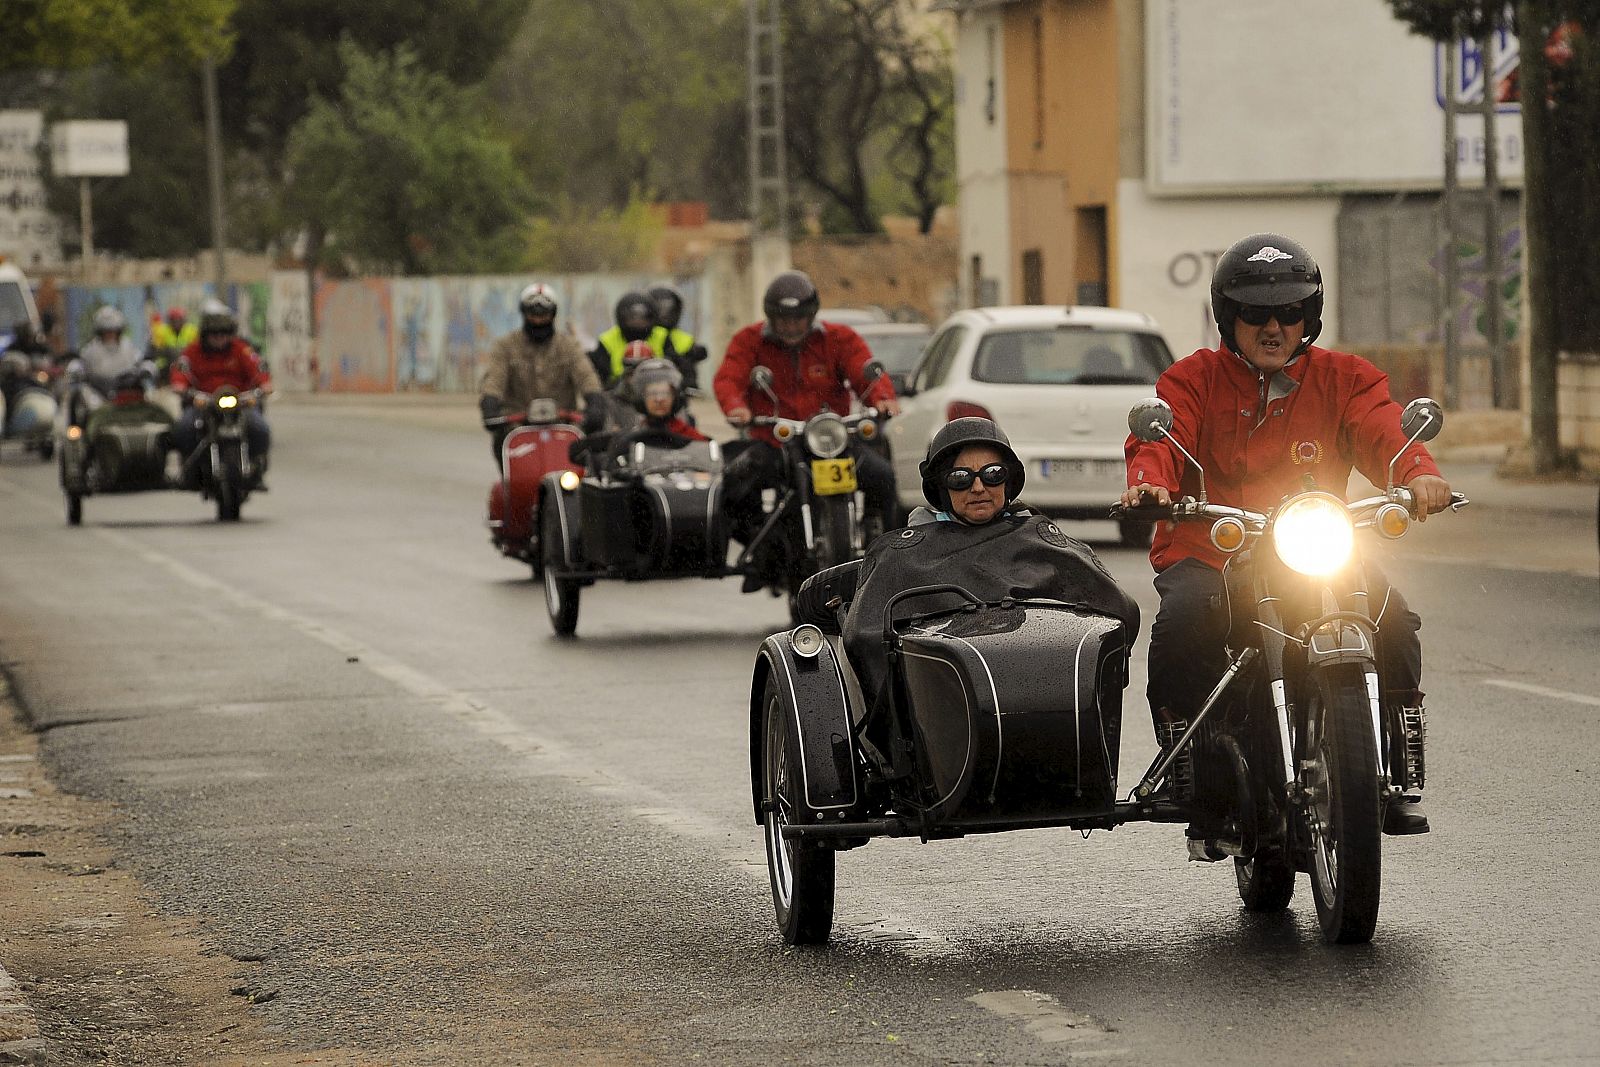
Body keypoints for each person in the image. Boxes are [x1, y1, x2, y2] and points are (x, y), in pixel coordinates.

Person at [1120, 232, 1452, 835]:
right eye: (1255, 314)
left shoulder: (1347, 378)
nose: (1273, 328)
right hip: (1213, 548)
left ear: (1310, 317)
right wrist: (1151, 484)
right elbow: (1156, 441)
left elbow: (1383, 432)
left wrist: (1419, 474)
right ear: (1229, 316)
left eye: (1289, 313)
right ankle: (1184, 755)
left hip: (1315, 547)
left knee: (1394, 619)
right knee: (1185, 618)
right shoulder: (1191, 380)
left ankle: (1399, 759)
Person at [843, 417, 1139, 703]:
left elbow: (1119, 609)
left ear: (1007, 482)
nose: (978, 487)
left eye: (993, 474)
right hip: (940, 708)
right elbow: (865, 639)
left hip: (1047, 699)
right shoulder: (903, 554)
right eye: (960, 478)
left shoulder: (1040, 538)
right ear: (941, 488)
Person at [714, 270, 902, 592]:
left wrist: (883, 399)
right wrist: (736, 407)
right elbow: (728, 378)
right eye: (782, 318)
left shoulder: (838, 338)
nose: (790, 325)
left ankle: (889, 554)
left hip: (830, 440)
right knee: (734, 483)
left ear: (811, 315)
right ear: (770, 316)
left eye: (798, 318)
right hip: (775, 441)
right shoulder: (749, 340)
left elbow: (864, 371)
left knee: (882, 476)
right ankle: (764, 551)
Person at [480, 283, 604, 468]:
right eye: (533, 314)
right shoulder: (505, 346)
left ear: (553, 315)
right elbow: (494, 380)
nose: (538, 320)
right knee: (504, 453)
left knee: (589, 465)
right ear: (524, 314)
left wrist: (595, 402)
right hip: (517, 429)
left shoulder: (568, 346)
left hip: (563, 428)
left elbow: (586, 376)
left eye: (544, 314)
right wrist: (489, 404)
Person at [169, 300, 273, 485]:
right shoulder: (193, 351)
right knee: (183, 429)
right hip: (204, 403)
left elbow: (258, 368)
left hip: (239, 403)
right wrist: (180, 386)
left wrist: (265, 385)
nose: (219, 339)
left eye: (223, 334)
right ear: (205, 335)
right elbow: (181, 370)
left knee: (260, 429)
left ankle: (257, 468)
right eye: (214, 335)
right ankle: (188, 470)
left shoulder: (241, 349)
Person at [589, 291, 662, 387]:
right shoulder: (607, 340)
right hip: (617, 393)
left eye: (643, 318)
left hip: (658, 390)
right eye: (632, 318)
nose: (637, 322)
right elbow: (600, 378)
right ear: (621, 317)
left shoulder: (663, 336)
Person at [648, 285, 708, 390]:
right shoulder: (642, 334)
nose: (664, 314)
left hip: (677, 389)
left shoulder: (684, 337)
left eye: (669, 310)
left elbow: (692, 359)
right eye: (660, 309)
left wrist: (697, 352)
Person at [76, 306, 143, 400]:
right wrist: (76, 371)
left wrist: (147, 369)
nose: (110, 335)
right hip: (98, 393)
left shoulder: (128, 346)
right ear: (100, 332)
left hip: (125, 393)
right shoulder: (90, 350)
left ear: (119, 331)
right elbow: (80, 366)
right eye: (106, 331)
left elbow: (141, 362)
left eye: (113, 331)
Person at [149, 307, 197, 378]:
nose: (176, 323)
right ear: (170, 321)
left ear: (183, 320)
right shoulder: (161, 331)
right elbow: (156, 350)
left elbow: (195, 348)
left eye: (179, 320)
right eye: (174, 320)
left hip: (187, 366)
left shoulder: (192, 331)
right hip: (166, 367)